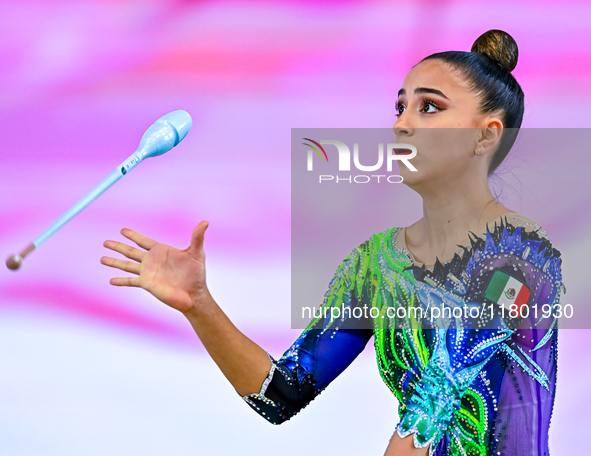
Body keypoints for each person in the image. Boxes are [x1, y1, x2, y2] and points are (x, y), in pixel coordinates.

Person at [100, 29, 565, 456]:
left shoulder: (522, 256)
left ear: (486, 136)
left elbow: (449, 378)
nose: (403, 124)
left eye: (429, 107)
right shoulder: (375, 265)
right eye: (399, 107)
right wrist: (199, 304)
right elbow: (281, 396)